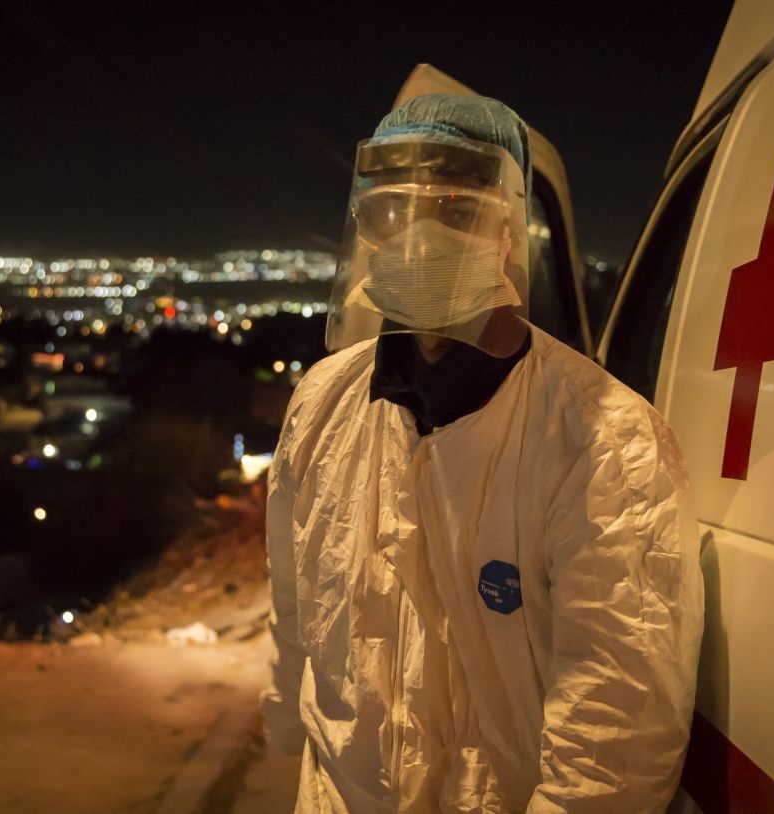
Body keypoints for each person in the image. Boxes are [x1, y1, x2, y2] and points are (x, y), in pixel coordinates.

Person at [263, 92, 703, 813]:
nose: (420, 237)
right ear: (366, 226)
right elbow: (296, 602)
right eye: (396, 212)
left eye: (458, 212)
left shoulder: (604, 441)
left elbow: (613, 734)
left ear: (508, 232)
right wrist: (287, 717)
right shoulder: (323, 407)